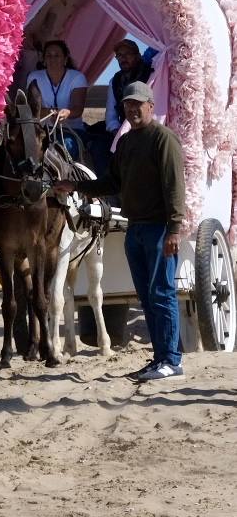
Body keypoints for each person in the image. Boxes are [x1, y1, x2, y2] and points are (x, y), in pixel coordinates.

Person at [56, 81, 185, 381]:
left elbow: (175, 187)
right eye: (127, 104)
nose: (132, 109)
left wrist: (175, 230)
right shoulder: (126, 143)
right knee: (147, 295)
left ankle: (171, 360)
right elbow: (112, 184)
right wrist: (77, 186)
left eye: (138, 104)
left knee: (162, 293)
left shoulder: (163, 139)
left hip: (158, 230)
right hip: (135, 229)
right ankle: (159, 359)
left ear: (151, 106)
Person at [26, 39, 88, 160]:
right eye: (48, 55)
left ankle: (67, 178)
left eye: (57, 55)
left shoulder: (77, 77)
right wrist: (50, 112)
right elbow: (31, 109)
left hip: (71, 130)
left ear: (65, 59)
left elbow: (78, 109)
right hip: (42, 130)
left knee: (66, 148)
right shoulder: (34, 77)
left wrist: (67, 113)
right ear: (43, 60)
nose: (52, 59)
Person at [104, 39, 154, 133]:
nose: (123, 58)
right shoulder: (115, 81)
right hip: (124, 132)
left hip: (148, 129)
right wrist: (117, 131)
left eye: (128, 54)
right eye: (119, 55)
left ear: (138, 56)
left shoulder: (150, 75)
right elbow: (111, 115)